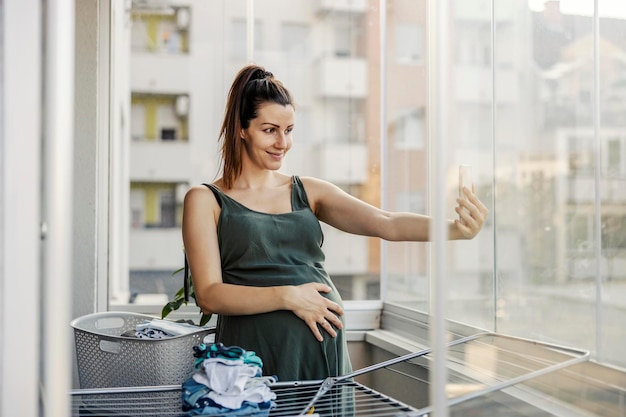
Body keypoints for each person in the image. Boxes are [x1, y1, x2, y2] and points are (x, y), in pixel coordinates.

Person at [182, 64, 489, 383]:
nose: (282, 143)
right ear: (242, 129)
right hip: (252, 357)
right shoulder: (205, 200)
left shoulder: (308, 191)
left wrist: (455, 229)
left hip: (322, 356)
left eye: (288, 131)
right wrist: (289, 296)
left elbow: (387, 223)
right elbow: (210, 295)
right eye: (269, 130)